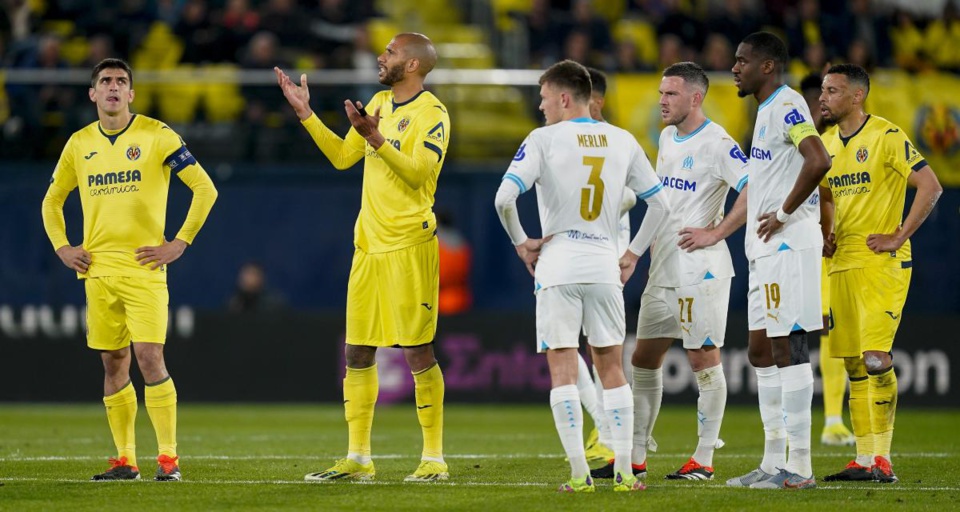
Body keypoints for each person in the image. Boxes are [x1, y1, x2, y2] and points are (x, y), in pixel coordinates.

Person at [275, 32, 451, 482]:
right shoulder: (379, 101)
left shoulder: (433, 114)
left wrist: (376, 139)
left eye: (390, 52)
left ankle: (433, 458)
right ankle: (358, 459)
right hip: (369, 246)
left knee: (416, 351)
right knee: (356, 351)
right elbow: (340, 157)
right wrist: (306, 114)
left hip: (409, 245)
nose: (381, 56)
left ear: (412, 65)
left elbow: (418, 175)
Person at [495, 59, 670, 493]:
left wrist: (521, 242)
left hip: (557, 262)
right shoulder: (623, 139)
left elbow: (503, 199)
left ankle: (579, 475)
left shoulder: (543, 139)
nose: (540, 106)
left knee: (563, 371)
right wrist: (631, 254)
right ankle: (627, 473)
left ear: (565, 98)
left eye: (544, 98)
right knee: (612, 368)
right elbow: (661, 206)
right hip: (604, 262)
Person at [40, 58, 218, 481]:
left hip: (143, 270)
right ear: (93, 93)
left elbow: (204, 188)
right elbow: (51, 201)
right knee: (113, 362)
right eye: (106, 81)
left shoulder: (157, 135)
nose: (114, 87)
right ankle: (125, 460)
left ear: (132, 93)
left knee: (149, 356)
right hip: (97, 272)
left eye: (121, 81)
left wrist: (179, 243)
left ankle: (169, 459)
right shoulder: (79, 144)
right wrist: (63, 248)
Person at [593, 62, 749, 482]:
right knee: (643, 358)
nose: (662, 101)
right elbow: (664, 203)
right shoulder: (665, 137)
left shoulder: (718, 143)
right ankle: (637, 455)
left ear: (696, 98)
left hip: (702, 270)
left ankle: (704, 459)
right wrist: (640, 252)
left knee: (703, 358)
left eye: (671, 94)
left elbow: (755, 187)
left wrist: (716, 232)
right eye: (661, 93)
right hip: (664, 268)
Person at [818, 64, 942, 483]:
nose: (823, 97)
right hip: (842, 263)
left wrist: (898, 235)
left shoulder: (887, 136)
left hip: (881, 264)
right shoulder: (826, 143)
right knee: (854, 364)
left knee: (875, 360)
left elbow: (931, 186)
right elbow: (827, 196)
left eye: (832, 90)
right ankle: (863, 459)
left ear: (857, 96)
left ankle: (883, 460)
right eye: (822, 89)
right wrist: (826, 232)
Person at [726, 32, 832, 490]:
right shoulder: (765, 112)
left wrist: (785, 213)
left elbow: (819, 159)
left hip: (788, 244)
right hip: (764, 249)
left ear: (767, 67)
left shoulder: (788, 105)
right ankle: (772, 461)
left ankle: (801, 466)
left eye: (742, 61)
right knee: (759, 350)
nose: (734, 67)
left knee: (789, 348)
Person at [799, 72, 857, 447]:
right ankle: (791, 425)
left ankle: (833, 419)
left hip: (829, 245)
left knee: (833, 330)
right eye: (815, 97)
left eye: (825, 95)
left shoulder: (840, 141)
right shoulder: (797, 141)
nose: (819, 103)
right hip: (798, 244)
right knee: (796, 332)